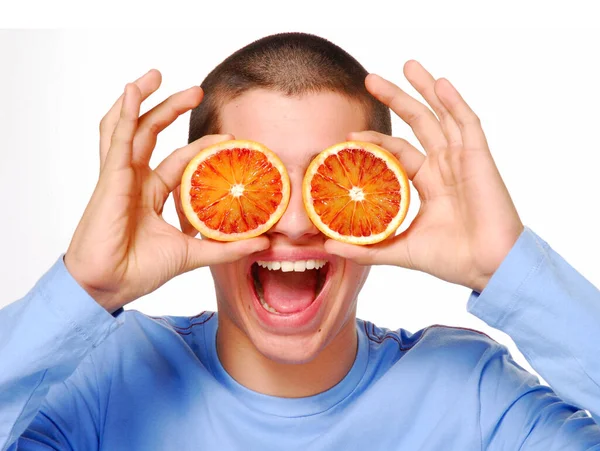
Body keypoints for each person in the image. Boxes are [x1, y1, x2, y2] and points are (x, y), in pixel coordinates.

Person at [1, 31, 599, 450]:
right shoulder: (110, 378)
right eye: (251, 183)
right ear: (193, 203)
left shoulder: (471, 392)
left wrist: (510, 271)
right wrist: (84, 288)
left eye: (330, 183)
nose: (292, 224)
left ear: (384, 202)